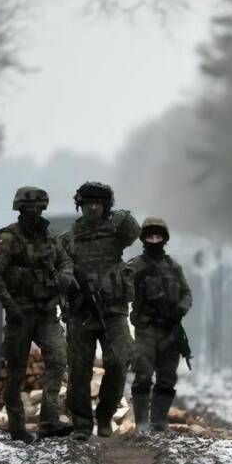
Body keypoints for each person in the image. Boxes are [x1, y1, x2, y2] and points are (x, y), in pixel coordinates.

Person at [0, 186, 76, 443]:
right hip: (20, 312)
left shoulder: (50, 237)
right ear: (20, 210)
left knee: (58, 359)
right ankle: (17, 426)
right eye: (28, 208)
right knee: (16, 370)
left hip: (46, 310)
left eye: (38, 208)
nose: (34, 212)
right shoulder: (9, 238)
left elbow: (65, 262)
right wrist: (10, 306)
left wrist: (64, 278)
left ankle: (49, 418)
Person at [60, 182, 139, 440]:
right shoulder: (68, 239)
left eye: (98, 203)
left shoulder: (116, 231)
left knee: (118, 361)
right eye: (87, 204)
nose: (93, 208)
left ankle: (104, 416)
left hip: (114, 310)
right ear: (80, 206)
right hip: (81, 312)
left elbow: (135, 229)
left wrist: (120, 215)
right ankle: (82, 424)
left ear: (106, 206)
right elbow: (59, 270)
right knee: (79, 368)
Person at [127, 217, 193, 431]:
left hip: (169, 330)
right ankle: (142, 423)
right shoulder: (136, 266)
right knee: (144, 374)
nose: (154, 240)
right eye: (150, 236)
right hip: (146, 328)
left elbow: (187, 293)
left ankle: (159, 421)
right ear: (144, 239)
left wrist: (178, 311)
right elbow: (121, 290)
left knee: (167, 376)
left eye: (158, 236)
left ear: (164, 239)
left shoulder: (173, 267)